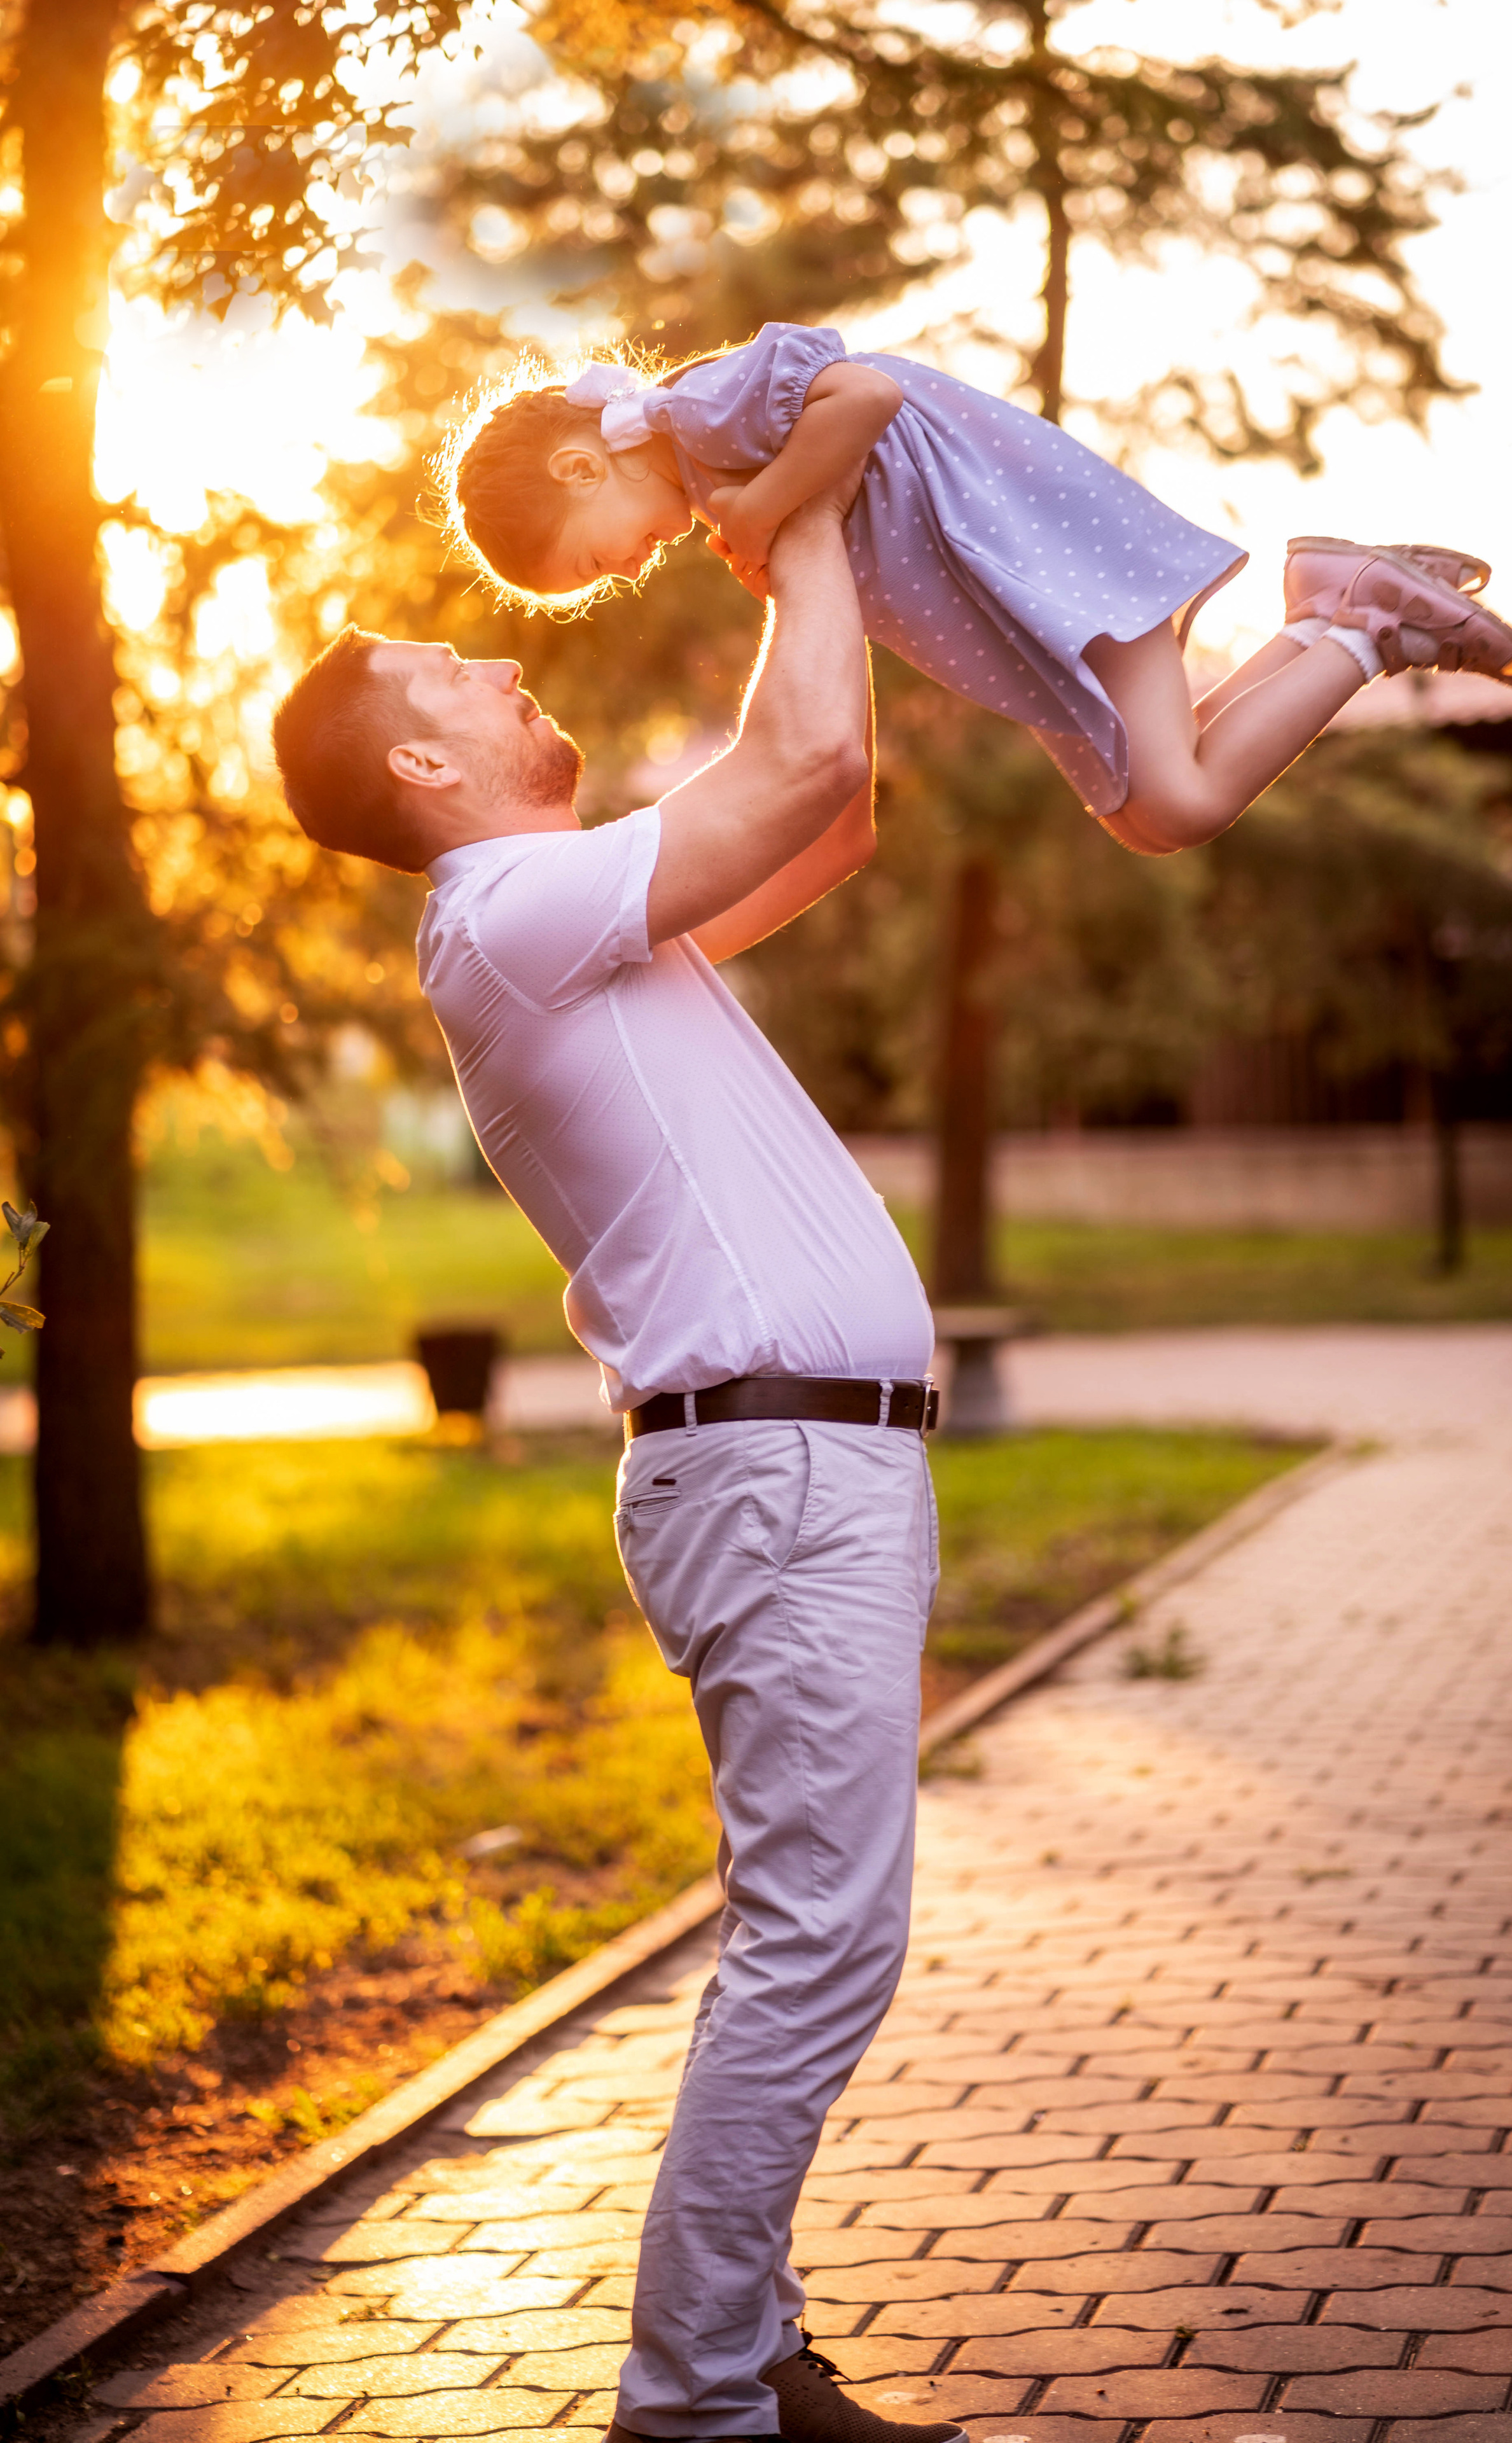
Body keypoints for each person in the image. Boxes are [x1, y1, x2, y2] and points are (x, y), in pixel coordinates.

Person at [272, 496, 967, 2443]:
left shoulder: (580, 918)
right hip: (779, 1471)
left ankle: (743, 2365)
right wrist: (807, 519)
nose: (508, 659)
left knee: (813, 1930)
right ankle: (698, 2408)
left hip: (809, 1471)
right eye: (457, 672)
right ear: (424, 770)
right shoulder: (508, 910)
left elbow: (834, 812)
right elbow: (798, 764)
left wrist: (805, 573)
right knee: (821, 1940)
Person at [440, 322, 1512, 854]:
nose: (629, 571)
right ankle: (1331, 611)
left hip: (1038, 561)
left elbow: (865, 397)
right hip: (1013, 614)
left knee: (1184, 803)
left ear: (581, 467)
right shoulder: (708, 461)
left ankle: (1366, 630)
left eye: (598, 561)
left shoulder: (701, 411)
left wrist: (767, 507)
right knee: (1150, 815)